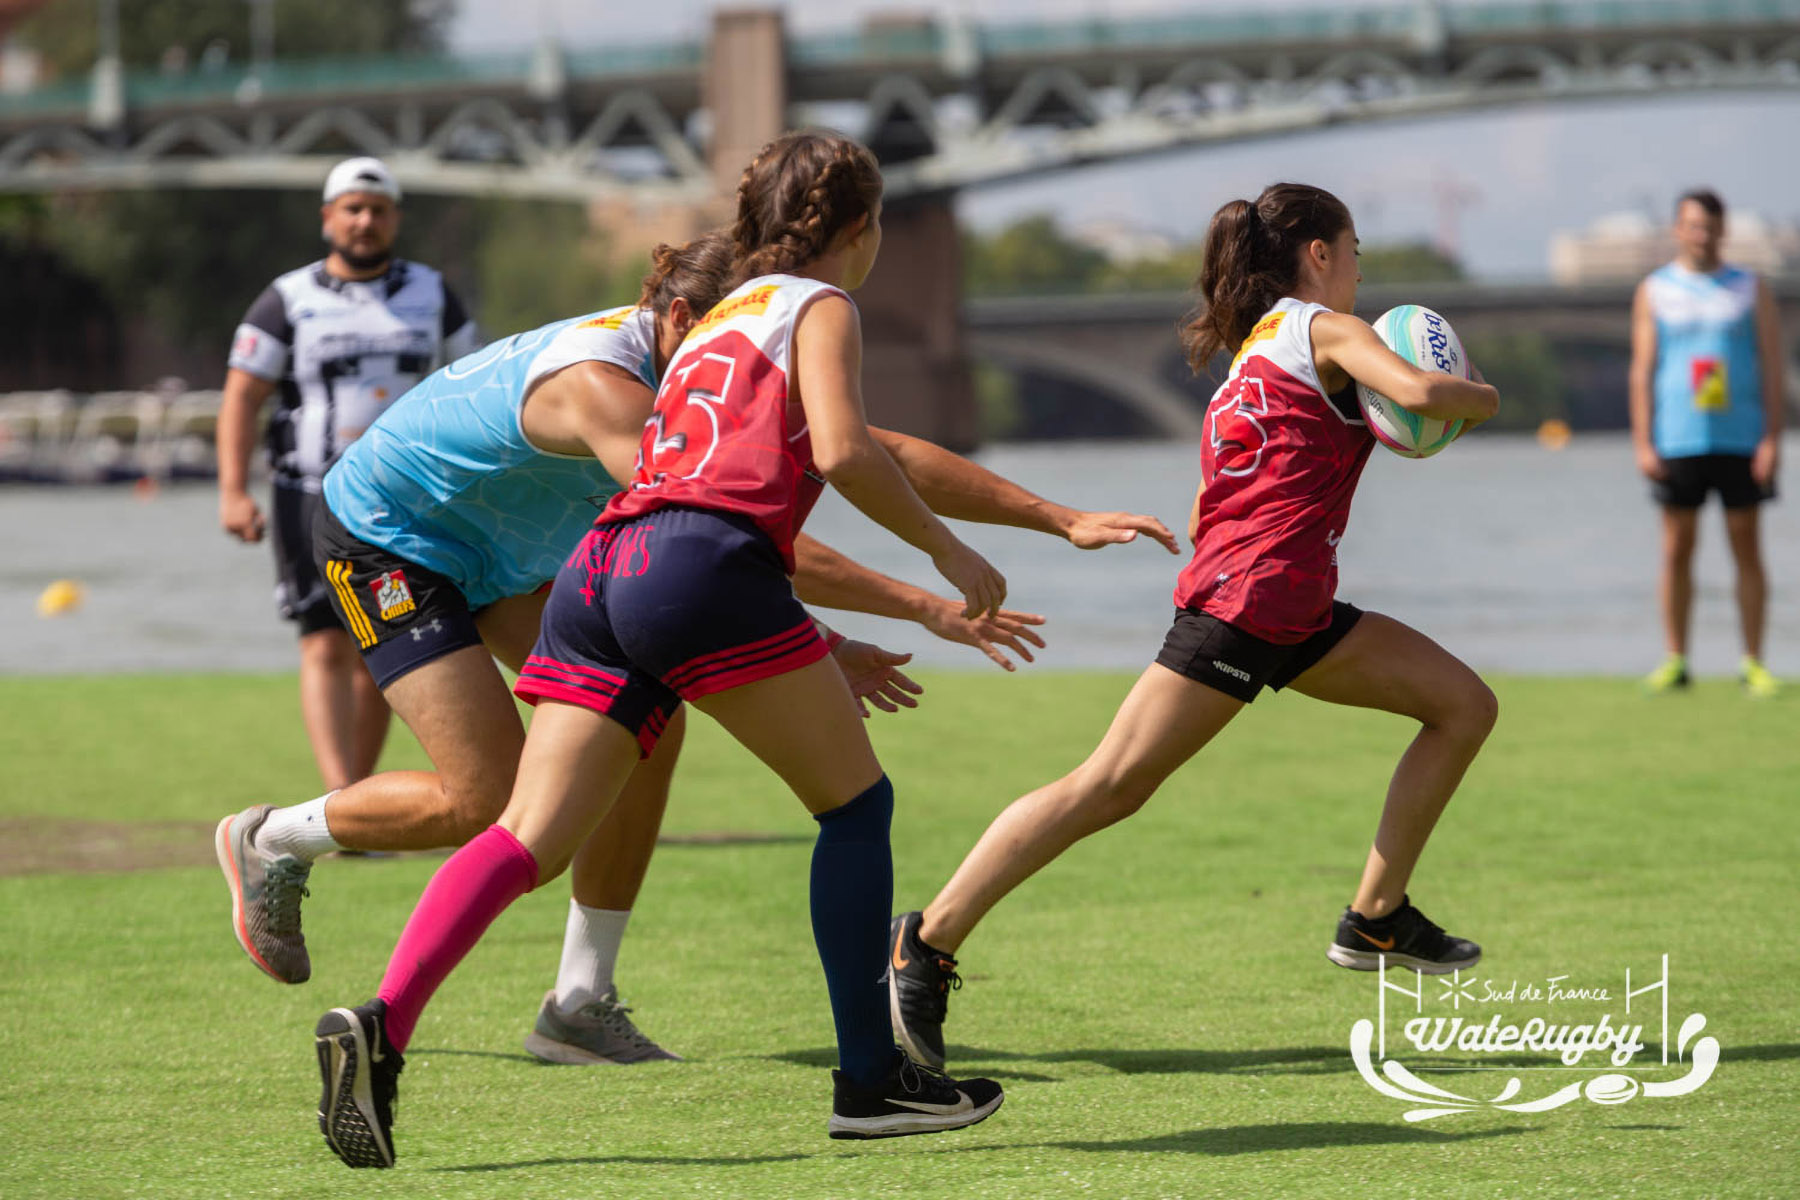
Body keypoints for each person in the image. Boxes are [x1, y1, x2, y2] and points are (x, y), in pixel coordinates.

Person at [215, 224, 1168, 1066]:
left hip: (507, 546)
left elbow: (878, 450)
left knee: (645, 722)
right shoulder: (605, 390)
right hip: (393, 538)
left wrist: (1057, 515)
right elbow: (704, 535)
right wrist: (911, 606)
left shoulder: (698, 363)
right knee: (487, 796)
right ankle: (275, 838)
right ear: (677, 316)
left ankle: (579, 1003)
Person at [307, 130, 1025, 1170]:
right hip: (695, 567)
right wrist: (949, 559)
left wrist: (825, 630)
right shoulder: (819, 305)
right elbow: (844, 451)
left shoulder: (712, 318)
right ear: (862, 231)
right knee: (856, 809)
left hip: (602, 567)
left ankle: (383, 1023)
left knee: (523, 837)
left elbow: (696, 476)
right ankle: (872, 1082)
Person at [886, 182, 1502, 1072]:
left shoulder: (1253, 355)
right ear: (1318, 256)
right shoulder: (1325, 328)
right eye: (1355, 249)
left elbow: (1236, 491)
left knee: (1462, 705)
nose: (1361, 270)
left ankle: (1376, 918)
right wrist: (1479, 394)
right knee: (1108, 786)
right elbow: (1419, 391)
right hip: (1248, 610)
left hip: (1294, 610)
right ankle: (927, 940)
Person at [216, 156, 479, 796]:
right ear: (328, 217)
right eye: (353, 209)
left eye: (378, 210)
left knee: (382, 643)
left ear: (395, 220)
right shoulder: (287, 299)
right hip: (308, 495)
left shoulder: (433, 294)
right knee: (326, 643)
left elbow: (475, 383)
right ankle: (340, 798)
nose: (365, 222)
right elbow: (242, 396)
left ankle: (361, 796)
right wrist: (231, 489)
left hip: (406, 499)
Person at [1629, 189, 1786, 697]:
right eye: (1693, 225)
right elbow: (1642, 369)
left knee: (1747, 546)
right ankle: (1676, 659)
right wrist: (1644, 442)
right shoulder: (1655, 289)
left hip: (1740, 437)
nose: (1703, 234)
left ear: (1724, 230)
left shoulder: (1749, 287)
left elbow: (1772, 365)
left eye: (1711, 225)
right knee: (1677, 548)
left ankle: (1753, 662)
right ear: (1678, 228)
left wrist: (1771, 439)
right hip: (1677, 438)